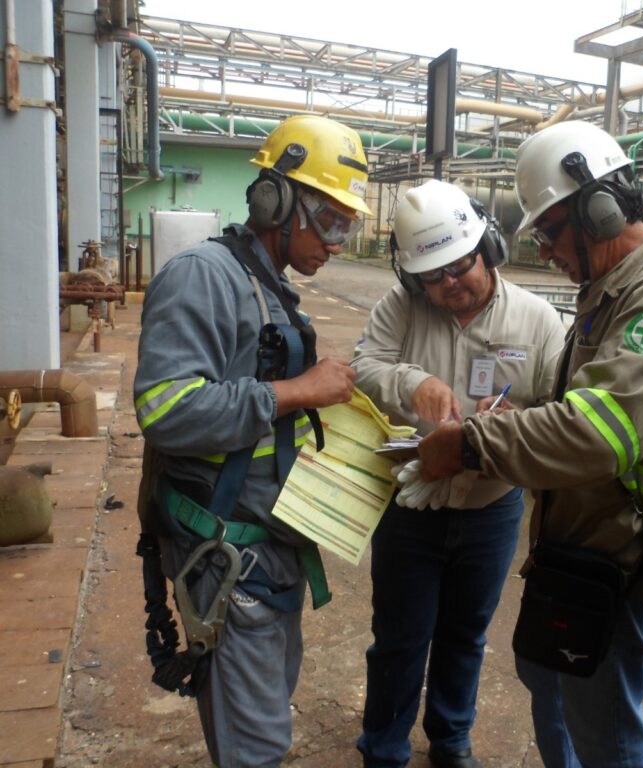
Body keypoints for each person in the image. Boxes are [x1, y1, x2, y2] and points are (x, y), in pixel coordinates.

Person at [412, 121, 643, 768]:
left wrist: (470, 444)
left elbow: (597, 431)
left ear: (598, 211)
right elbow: (574, 409)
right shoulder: (611, 290)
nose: (546, 251)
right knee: (550, 684)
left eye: (550, 232)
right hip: (578, 547)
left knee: (602, 729)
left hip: (618, 556)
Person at [133, 114, 371, 768]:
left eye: (349, 224)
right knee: (257, 746)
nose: (339, 241)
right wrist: (296, 391)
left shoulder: (266, 286)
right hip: (225, 547)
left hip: (268, 547)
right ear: (275, 201)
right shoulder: (204, 276)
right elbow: (165, 408)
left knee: (263, 708)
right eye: (330, 220)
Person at [351, 179, 565, 768]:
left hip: (492, 509)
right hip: (410, 506)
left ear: (487, 248)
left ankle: (450, 739)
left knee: (466, 635)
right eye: (432, 276)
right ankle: (385, 748)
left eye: (460, 265)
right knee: (399, 637)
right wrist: (410, 382)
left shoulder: (539, 322)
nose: (449, 285)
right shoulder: (401, 308)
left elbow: (565, 407)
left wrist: (522, 423)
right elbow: (364, 364)